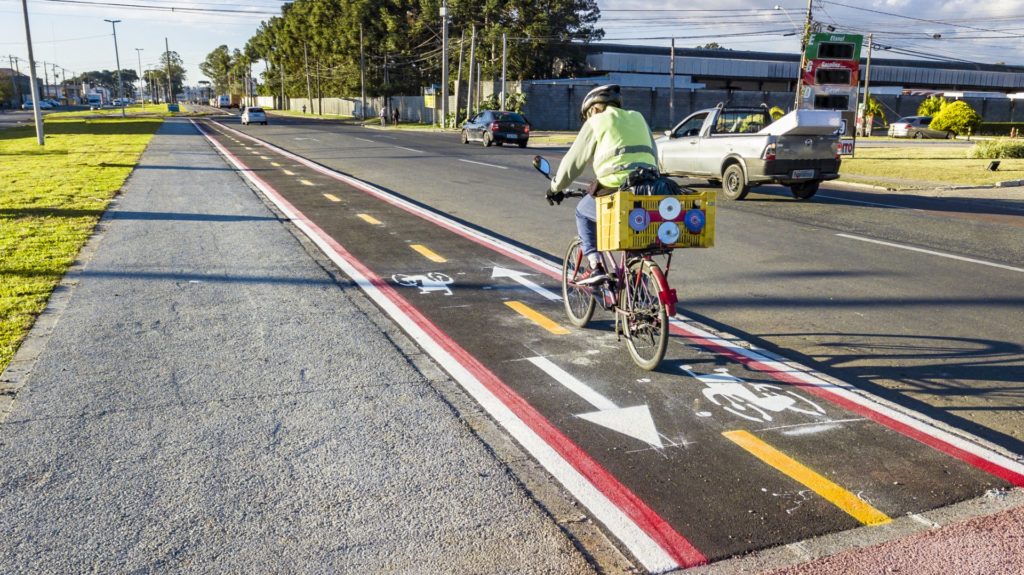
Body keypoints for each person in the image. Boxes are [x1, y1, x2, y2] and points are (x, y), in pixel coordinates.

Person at [546, 84, 670, 286]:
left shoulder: (596, 121)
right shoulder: (638, 117)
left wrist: (555, 188)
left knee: (582, 212)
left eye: (587, 115)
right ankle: (639, 293)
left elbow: (572, 164)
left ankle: (595, 265)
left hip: (616, 188)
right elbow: (654, 154)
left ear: (593, 108)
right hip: (649, 187)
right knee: (634, 237)